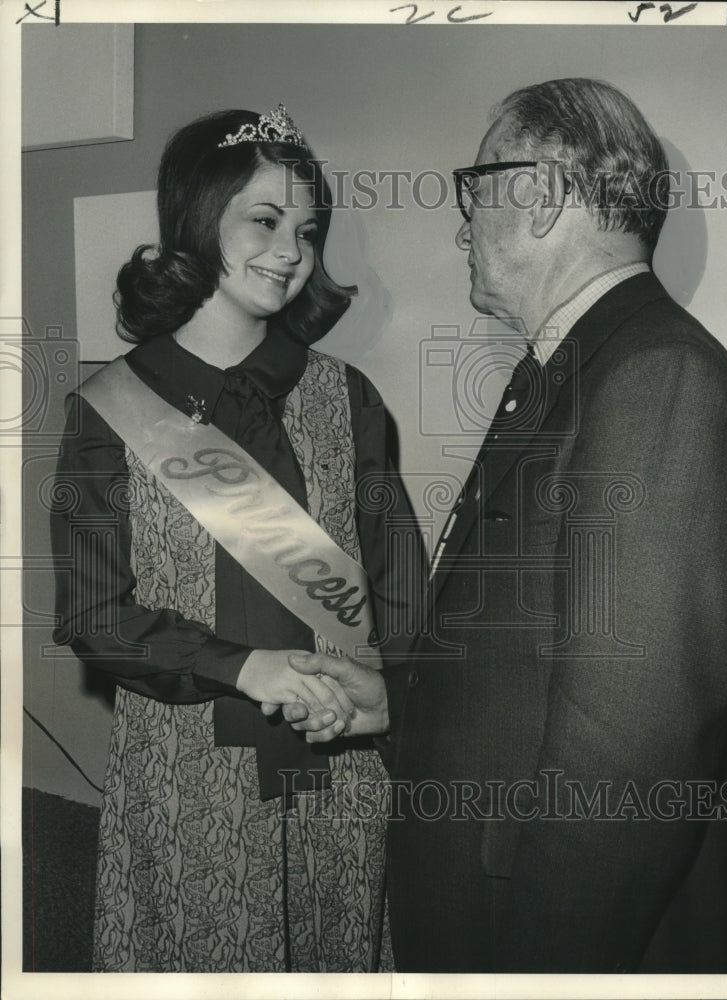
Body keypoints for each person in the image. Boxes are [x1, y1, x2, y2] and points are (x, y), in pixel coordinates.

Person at [285, 78, 727, 973]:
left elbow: (628, 758)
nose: (462, 226)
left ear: (541, 194)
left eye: (476, 188)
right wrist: (399, 701)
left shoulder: (658, 378)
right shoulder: (572, 369)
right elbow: (537, 659)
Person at [51, 106, 420, 973]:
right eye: (263, 220)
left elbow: (402, 593)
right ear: (195, 221)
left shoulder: (346, 395)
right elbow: (95, 615)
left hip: (345, 772)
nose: (291, 250)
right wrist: (251, 667)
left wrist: (395, 696)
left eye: (307, 228)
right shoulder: (110, 409)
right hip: (186, 783)